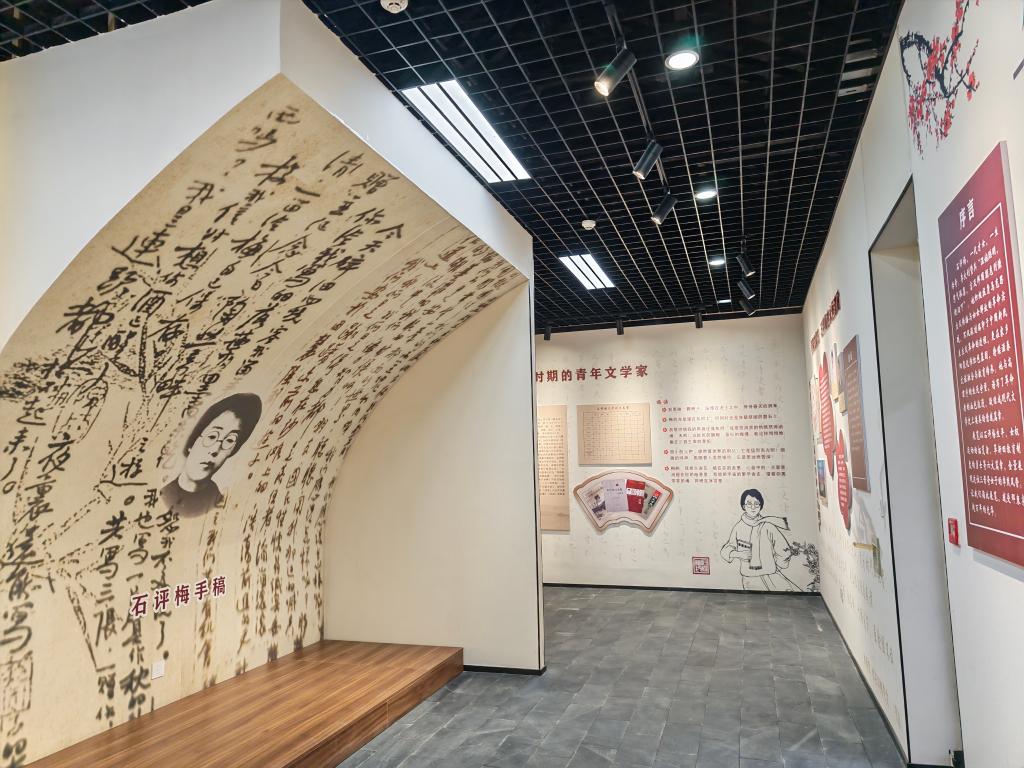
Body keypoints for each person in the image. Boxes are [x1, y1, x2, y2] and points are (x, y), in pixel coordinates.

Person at [161, 393, 262, 517]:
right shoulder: (162, 496)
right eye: (212, 436)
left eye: (229, 440)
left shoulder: (225, 510)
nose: (215, 449)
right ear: (192, 442)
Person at [720, 488, 801, 591]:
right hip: (749, 577)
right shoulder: (738, 527)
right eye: (749, 504)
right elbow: (727, 549)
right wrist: (738, 554)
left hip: (771, 575)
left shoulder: (767, 525)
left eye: (756, 504)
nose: (753, 507)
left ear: (761, 505)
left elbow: (783, 549)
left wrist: (776, 565)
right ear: (743, 506)